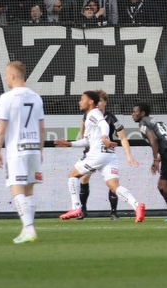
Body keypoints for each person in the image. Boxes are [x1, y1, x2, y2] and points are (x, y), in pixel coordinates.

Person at [56, 91, 145, 222]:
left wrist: (104, 137)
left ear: (91, 102)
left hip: (97, 154)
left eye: (82, 99)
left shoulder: (93, 113)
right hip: (109, 156)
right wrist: (69, 144)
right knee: (114, 186)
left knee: (73, 176)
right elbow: (87, 141)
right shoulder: (90, 117)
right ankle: (137, 205)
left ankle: (76, 207)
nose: (79, 102)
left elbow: (104, 125)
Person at [0, 61, 46, 243]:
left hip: (16, 149)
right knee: (29, 189)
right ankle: (26, 229)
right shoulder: (36, 97)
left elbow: (1, 128)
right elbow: (42, 128)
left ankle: (30, 229)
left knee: (16, 189)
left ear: (13, 76)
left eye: (6, 75)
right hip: (33, 148)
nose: (6, 78)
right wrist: (40, 150)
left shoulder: (7, 98)